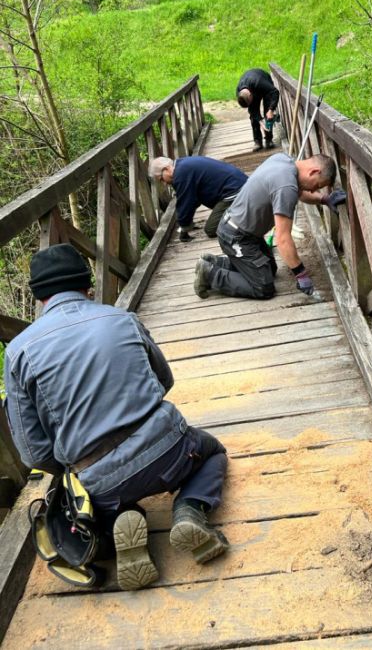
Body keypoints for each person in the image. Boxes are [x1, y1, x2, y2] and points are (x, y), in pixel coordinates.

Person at [3, 244, 229, 591]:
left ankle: (123, 518)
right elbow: (164, 380)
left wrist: (74, 465)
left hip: (99, 481)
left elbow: (33, 453)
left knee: (96, 506)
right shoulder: (121, 318)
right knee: (212, 453)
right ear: (86, 285)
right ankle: (189, 509)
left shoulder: (18, 351)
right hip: (168, 450)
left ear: (39, 297)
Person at [193, 153, 341, 301]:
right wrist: (300, 274)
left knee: (270, 269)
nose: (315, 189)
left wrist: (324, 199)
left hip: (245, 231)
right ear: (314, 172)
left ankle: (215, 262)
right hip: (236, 236)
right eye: (318, 186)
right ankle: (210, 274)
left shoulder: (283, 161)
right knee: (263, 288)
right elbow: (283, 239)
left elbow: (300, 193)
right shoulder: (286, 186)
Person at [149, 155, 248, 241]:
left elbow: (185, 202)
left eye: (161, 179)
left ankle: (245, 218)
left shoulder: (180, 174)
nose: (164, 183)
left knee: (211, 229)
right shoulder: (182, 165)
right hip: (239, 186)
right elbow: (193, 200)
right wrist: (187, 223)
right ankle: (241, 212)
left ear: (166, 169)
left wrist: (184, 228)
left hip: (235, 191)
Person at [236, 68, 280, 152]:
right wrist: (260, 120)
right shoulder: (239, 92)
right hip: (252, 87)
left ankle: (269, 139)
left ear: (250, 95)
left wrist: (271, 109)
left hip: (263, 83)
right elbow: (252, 111)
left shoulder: (260, 83)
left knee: (267, 113)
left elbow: (275, 92)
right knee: (254, 117)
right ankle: (257, 142)